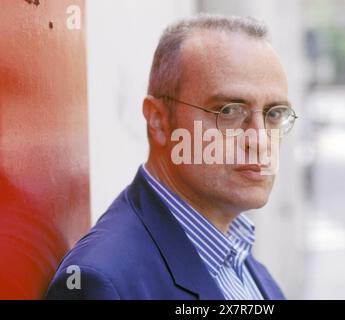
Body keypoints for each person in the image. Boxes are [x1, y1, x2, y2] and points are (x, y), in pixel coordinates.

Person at [46, 13, 297, 300]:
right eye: (229, 111)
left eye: (274, 114)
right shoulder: (102, 281)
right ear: (158, 120)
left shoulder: (241, 258)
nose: (261, 141)